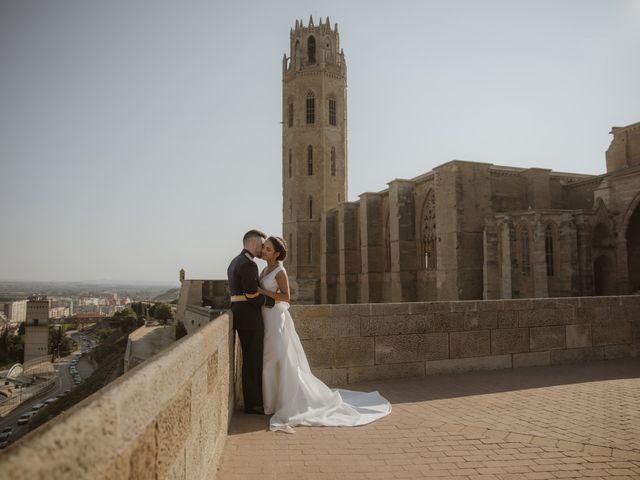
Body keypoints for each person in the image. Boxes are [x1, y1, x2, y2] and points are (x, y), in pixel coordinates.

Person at [257, 236, 391, 432]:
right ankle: (272, 402)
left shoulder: (280, 271)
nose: (264, 251)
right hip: (266, 318)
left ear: (276, 253)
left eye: (267, 249)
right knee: (270, 360)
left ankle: (288, 402)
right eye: (264, 248)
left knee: (281, 358)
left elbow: (286, 297)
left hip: (276, 319)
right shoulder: (264, 269)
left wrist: (263, 292)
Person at [227, 229, 275, 414]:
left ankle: (252, 400)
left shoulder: (234, 261)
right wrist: (271, 302)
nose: (263, 249)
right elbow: (251, 295)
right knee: (253, 359)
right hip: (249, 316)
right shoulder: (249, 264)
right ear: (254, 244)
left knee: (250, 358)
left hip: (238, 313)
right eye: (262, 245)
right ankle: (254, 403)